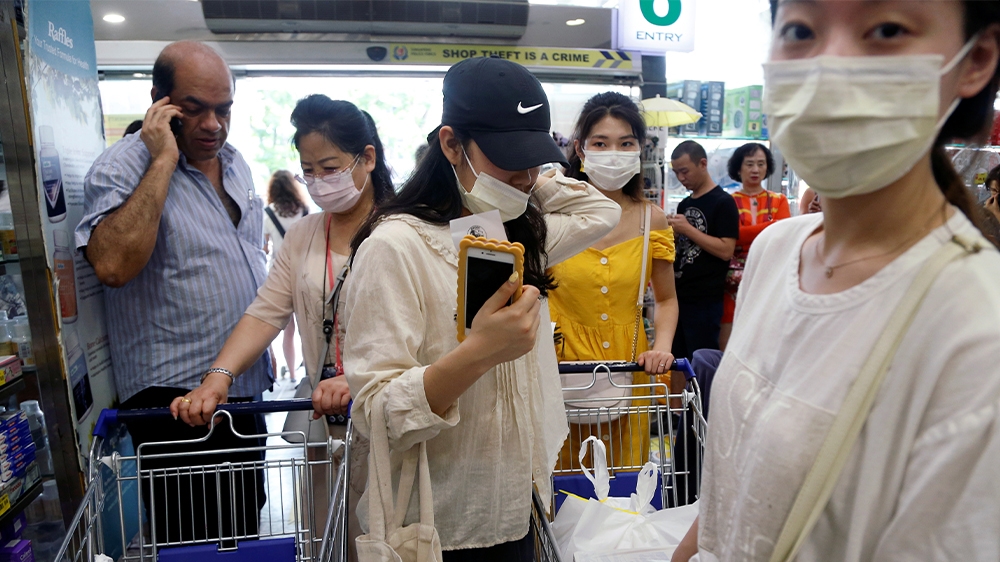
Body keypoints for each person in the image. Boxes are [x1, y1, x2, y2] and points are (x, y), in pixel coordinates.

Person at [673, 1, 1000, 560]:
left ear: (978, 60)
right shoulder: (781, 249)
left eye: (888, 29)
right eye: (800, 30)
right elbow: (733, 490)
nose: (830, 63)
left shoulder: (977, 331)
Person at [343, 57, 621, 560]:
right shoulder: (398, 246)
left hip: (520, 505)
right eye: (508, 156)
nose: (526, 174)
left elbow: (603, 210)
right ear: (450, 144)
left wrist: (525, 183)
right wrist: (481, 352)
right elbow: (376, 412)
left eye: (534, 157)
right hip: (440, 526)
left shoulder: (516, 234)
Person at [172, 95, 393, 561]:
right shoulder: (305, 235)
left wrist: (359, 377)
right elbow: (266, 312)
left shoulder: (406, 229)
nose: (317, 183)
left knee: (391, 540)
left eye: (329, 167)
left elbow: (430, 331)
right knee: (330, 539)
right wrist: (218, 378)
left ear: (367, 158)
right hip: (325, 424)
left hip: (395, 422)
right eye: (307, 170)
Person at [75, 41, 271, 544]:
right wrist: (161, 159)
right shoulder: (123, 166)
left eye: (223, 109)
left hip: (241, 389)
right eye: (194, 109)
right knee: (195, 539)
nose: (213, 124)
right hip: (176, 400)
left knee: (243, 530)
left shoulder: (235, 162)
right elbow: (114, 266)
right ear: (159, 101)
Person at [551, 91, 679, 472]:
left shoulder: (650, 219)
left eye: (626, 143)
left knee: (624, 487)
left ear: (640, 149)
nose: (613, 152)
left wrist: (662, 347)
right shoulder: (552, 212)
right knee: (563, 483)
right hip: (560, 365)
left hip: (630, 367)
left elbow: (667, 300)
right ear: (581, 149)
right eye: (600, 143)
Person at [667, 141, 739, 360]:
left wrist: (687, 229)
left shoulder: (723, 202)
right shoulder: (684, 204)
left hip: (705, 299)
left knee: (700, 361)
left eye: (685, 171)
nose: (681, 178)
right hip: (678, 295)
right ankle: (678, 396)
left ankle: (701, 397)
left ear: (703, 164)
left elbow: (726, 250)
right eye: (677, 172)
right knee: (676, 361)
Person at [720, 142, 790, 350]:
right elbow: (735, 236)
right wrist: (770, 226)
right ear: (738, 168)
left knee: (764, 340)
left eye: (761, 164)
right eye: (749, 164)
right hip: (730, 284)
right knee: (728, 342)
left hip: (767, 277)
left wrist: (742, 237)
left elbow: (782, 235)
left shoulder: (780, 199)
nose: (755, 170)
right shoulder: (728, 201)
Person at [262, 169, 310, 383]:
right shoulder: (305, 210)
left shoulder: (268, 212)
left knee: (287, 330)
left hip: (279, 274)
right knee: (307, 328)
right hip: (305, 272)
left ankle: (290, 374)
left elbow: (263, 247)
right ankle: (309, 373)